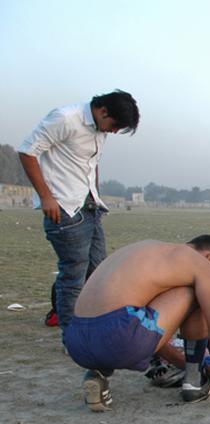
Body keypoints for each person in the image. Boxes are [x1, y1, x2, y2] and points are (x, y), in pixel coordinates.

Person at [18, 90, 140, 337]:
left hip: (90, 208)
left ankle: (92, 327)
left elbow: (91, 165)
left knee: (98, 270)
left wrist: (95, 196)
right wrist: (46, 197)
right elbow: (27, 151)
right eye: (115, 126)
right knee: (73, 275)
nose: (113, 132)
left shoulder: (99, 129)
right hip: (64, 208)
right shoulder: (65, 118)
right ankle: (72, 337)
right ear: (102, 110)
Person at [63, 236, 210, 411]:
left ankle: (96, 374)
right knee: (197, 295)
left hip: (76, 341)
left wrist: (180, 361)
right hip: (120, 337)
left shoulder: (146, 249)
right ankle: (194, 383)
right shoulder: (199, 264)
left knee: (130, 316)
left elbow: (151, 332)